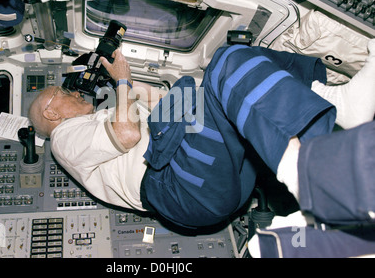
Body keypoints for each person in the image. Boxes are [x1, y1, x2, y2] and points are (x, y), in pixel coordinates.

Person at [28, 39, 375, 230]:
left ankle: (326, 96)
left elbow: (166, 102)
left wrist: (129, 85)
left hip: (210, 185)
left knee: (216, 78)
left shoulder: (97, 120)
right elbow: (128, 134)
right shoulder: (64, 139)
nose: (74, 93)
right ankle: (316, 167)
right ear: (51, 112)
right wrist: (120, 82)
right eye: (65, 94)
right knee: (225, 63)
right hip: (176, 187)